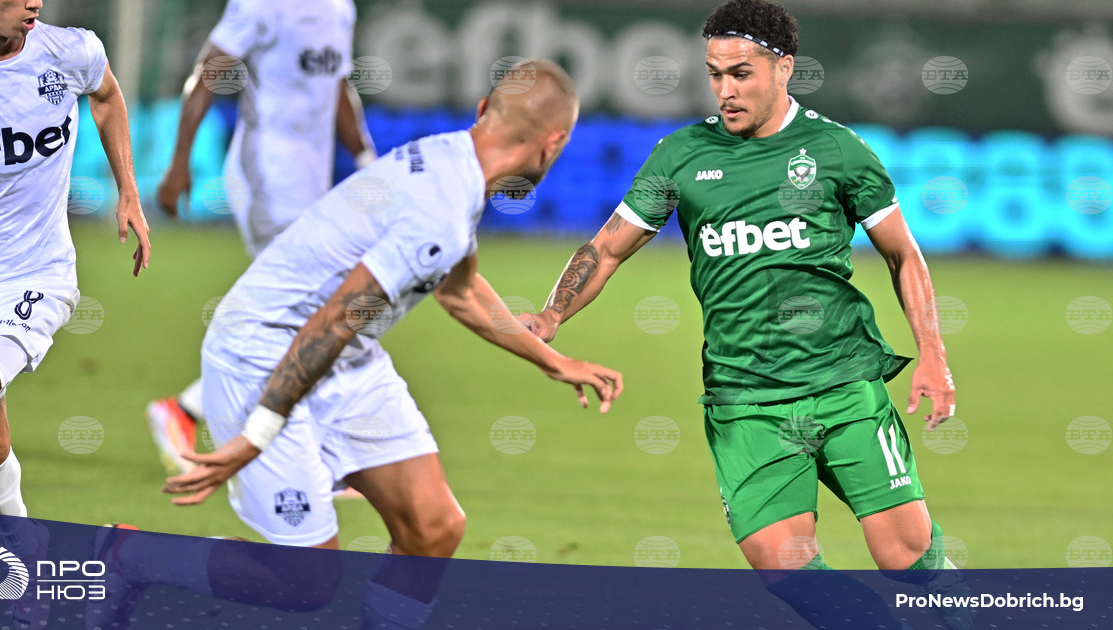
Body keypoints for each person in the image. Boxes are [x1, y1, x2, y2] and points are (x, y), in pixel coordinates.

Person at [85, 59, 621, 629]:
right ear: (553, 144)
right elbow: (334, 320)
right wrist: (255, 437)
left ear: (484, 109)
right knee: (304, 582)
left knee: (433, 526)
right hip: (261, 354)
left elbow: (460, 291)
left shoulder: (450, 163)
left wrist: (553, 361)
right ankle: (128, 555)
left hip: (343, 358)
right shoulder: (440, 210)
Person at [520, 2, 969, 629]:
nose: (725, 90)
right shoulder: (681, 156)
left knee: (905, 555)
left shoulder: (837, 151)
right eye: (715, 74)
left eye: (740, 73)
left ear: (783, 68)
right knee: (783, 566)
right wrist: (552, 315)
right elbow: (607, 248)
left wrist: (934, 356)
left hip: (842, 384)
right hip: (744, 400)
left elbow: (903, 254)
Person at [0, 0, 150, 625]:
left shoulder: (70, 50)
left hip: (39, 276)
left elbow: (107, 95)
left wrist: (128, 190)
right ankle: (29, 559)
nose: (35, 3)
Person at [146, 0, 377, 477]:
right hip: (266, 174)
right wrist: (179, 161)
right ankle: (192, 412)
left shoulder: (340, 8)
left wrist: (365, 159)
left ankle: (189, 410)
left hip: (311, 182)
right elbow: (209, 72)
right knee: (319, 306)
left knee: (312, 311)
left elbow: (337, 85)